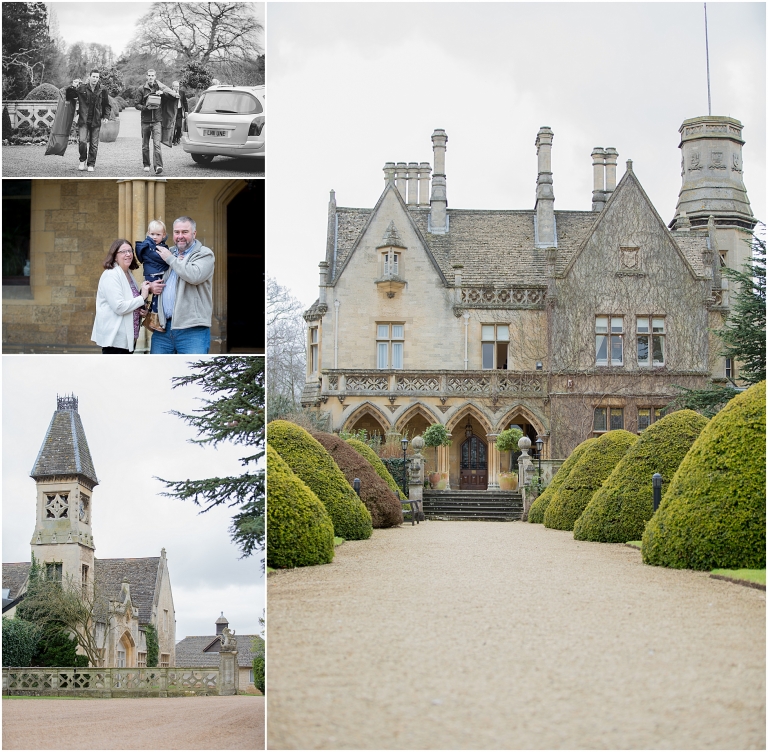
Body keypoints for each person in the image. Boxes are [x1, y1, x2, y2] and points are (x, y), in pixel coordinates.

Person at [148, 216, 215, 354]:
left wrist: (170, 259)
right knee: (157, 372)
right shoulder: (168, 251)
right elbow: (153, 273)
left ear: (194, 233)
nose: (180, 236)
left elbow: (194, 275)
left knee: (192, 373)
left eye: (185, 232)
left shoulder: (205, 254)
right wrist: (151, 287)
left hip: (192, 331)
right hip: (163, 329)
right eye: (177, 232)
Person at [91, 240, 150, 353]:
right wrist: (142, 298)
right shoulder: (111, 275)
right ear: (115, 257)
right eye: (123, 251)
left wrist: (141, 309)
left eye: (130, 251)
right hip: (115, 338)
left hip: (129, 337)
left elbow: (131, 302)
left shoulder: (128, 275)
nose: (128, 254)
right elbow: (119, 307)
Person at [65, 69, 111, 172]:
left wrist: (106, 116)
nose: (95, 79)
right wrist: (73, 86)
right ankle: (82, 160)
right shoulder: (81, 88)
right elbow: (69, 95)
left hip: (96, 121)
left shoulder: (103, 90)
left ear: (98, 78)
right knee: (82, 142)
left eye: (97, 77)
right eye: (93, 76)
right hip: (83, 120)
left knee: (94, 145)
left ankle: (91, 164)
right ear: (89, 77)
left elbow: (106, 105)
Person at [135, 69, 177, 175]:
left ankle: (158, 166)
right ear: (146, 76)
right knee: (145, 145)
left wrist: (162, 93)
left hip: (157, 121)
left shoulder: (160, 87)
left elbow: (172, 98)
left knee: (157, 144)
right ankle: (146, 164)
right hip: (145, 121)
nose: (150, 77)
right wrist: (145, 108)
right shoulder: (141, 89)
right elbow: (136, 104)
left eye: (152, 75)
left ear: (155, 76)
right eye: (149, 75)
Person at [134, 219, 170, 332]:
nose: (154, 237)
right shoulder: (149, 246)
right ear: (148, 233)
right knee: (156, 295)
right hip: (153, 273)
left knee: (155, 295)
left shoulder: (158, 246)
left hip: (155, 272)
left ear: (163, 235)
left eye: (158, 234)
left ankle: (145, 311)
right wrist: (173, 258)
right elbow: (159, 258)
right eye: (152, 234)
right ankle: (153, 320)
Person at [171, 80, 189, 146]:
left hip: (179, 110)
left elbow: (185, 102)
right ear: (172, 87)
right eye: (176, 86)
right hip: (172, 111)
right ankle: (173, 139)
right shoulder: (170, 93)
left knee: (179, 126)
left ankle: (177, 137)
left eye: (178, 86)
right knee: (173, 126)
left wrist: (186, 111)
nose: (177, 88)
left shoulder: (182, 93)